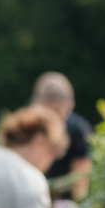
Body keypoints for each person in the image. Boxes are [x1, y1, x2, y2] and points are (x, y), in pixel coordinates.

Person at [31, 72, 92, 201]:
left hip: (64, 199)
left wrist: (78, 203)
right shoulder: (29, 128)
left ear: (70, 105)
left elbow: (80, 173)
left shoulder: (77, 129)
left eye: (58, 112)